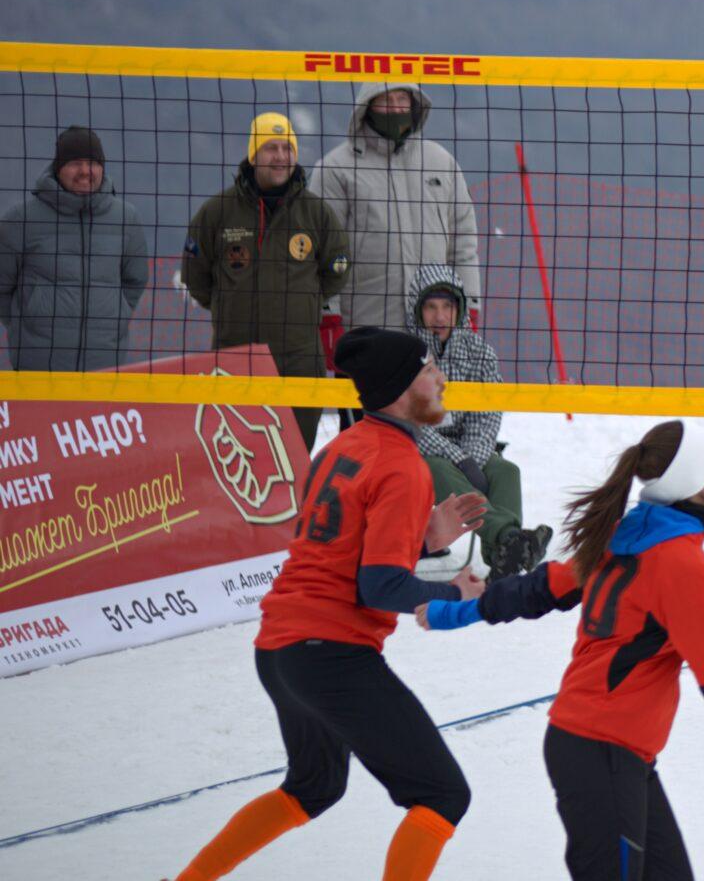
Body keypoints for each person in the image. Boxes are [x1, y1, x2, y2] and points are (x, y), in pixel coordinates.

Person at [171, 327, 491, 881]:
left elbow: (342, 554)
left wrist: (423, 542)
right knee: (443, 794)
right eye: (428, 370)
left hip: (280, 651)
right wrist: (453, 592)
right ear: (398, 386)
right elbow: (381, 588)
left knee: (313, 787)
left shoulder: (342, 447)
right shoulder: (402, 465)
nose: (441, 379)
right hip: (330, 654)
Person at [418, 419, 704, 880]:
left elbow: (539, 590)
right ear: (689, 474)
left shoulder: (631, 537)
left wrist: (457, 612)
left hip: (611, 752)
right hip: (602, 750)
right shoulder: (679, 561)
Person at [182, 114, 350, 449]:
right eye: (271, 148)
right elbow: (195, 275)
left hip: (299, 359)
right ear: (253, 155)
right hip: (235, 357)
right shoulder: (218, 211)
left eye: (287, 147)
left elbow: (337, 271)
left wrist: (305, 303)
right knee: (241, 458)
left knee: (296, 456)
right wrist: (227, 305)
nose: (281, 156)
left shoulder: (316, 213)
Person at [402, 263, 548, 578]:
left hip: (469, 448)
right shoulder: (405, 353)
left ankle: (502, 562)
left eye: (447, 307)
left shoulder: (480, 352)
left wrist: (473, 458)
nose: (440, 316)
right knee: (439, 469)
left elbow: (487, 415)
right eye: (430, 307)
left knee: (506, 470)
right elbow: (411, 422)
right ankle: (509, 539)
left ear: (460, 309)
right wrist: (461, 460)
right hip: (415, 449)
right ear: (417, 309)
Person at [313, 84, 480, 335]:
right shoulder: (335, 169)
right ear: (367, 106)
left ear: (414, 104)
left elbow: (464, 244)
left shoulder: (442, 163)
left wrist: (470, 305)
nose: (396, 108)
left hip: (435, 332)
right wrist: (328, 316)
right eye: (386, 100)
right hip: (365, 328)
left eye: (402, 98)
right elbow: (320, 251)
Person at [0, 124, 149, 371]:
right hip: (38, 370)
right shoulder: (20, 219)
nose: (85, 171)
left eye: (93, 163)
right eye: (75, 163)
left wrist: (116, 315)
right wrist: (23, 324)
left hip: (104, 367)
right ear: (59, 169)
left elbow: (135, 280)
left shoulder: (126, 218)